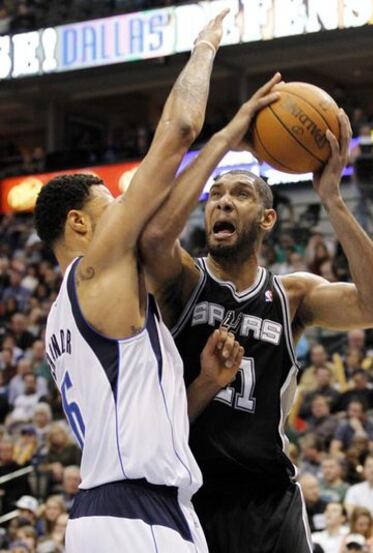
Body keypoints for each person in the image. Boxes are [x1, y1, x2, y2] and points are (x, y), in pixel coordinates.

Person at [139, 82, 373, 550]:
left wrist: (333, 200)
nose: (222, 200)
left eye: (239, 194)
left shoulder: (292, 295)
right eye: (216, 193)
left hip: (271, 496)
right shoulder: (184, 281)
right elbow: (154, 240)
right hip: (193, 495)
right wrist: (227, 136)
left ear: (266, 218)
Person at [33, 11, 244, 553]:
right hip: (135, 515)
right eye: (113, 207)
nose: (129, 215)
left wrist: (202, 385)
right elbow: (177, 132)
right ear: (79, 224)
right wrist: (205, 47)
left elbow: (136, 422)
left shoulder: (63, 319)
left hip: (123, 511)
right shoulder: (95, 270)